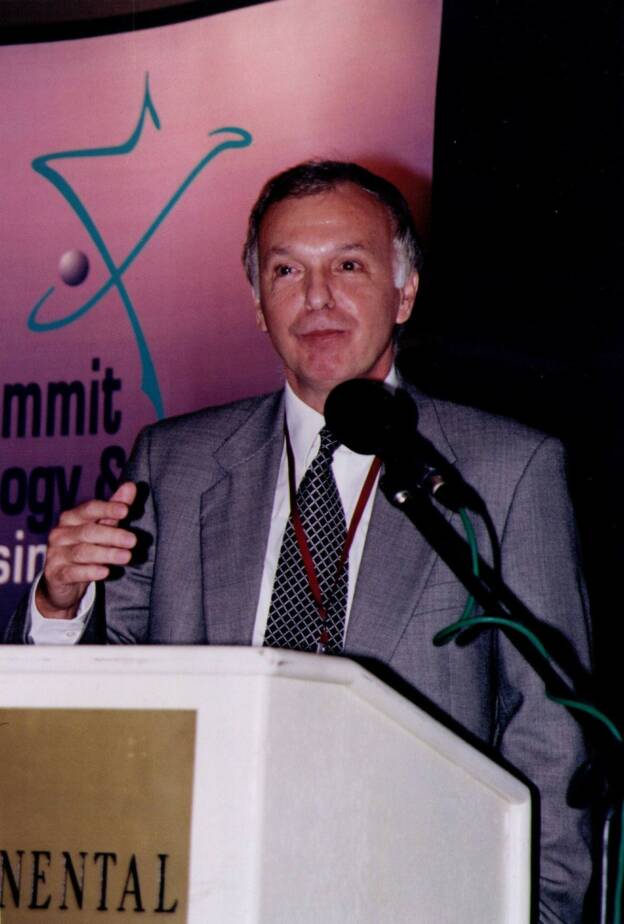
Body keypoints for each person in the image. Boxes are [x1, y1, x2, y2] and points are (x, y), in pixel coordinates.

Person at [4, 160, 592, 922]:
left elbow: (554, 741)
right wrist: (58, 606)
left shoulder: (507, 471)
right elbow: (111, 706)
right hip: (201, 884)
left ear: (405, 291)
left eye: (349, 265)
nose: (317, 298)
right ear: (257, 302)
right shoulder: (173, 464)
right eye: (287, 270)